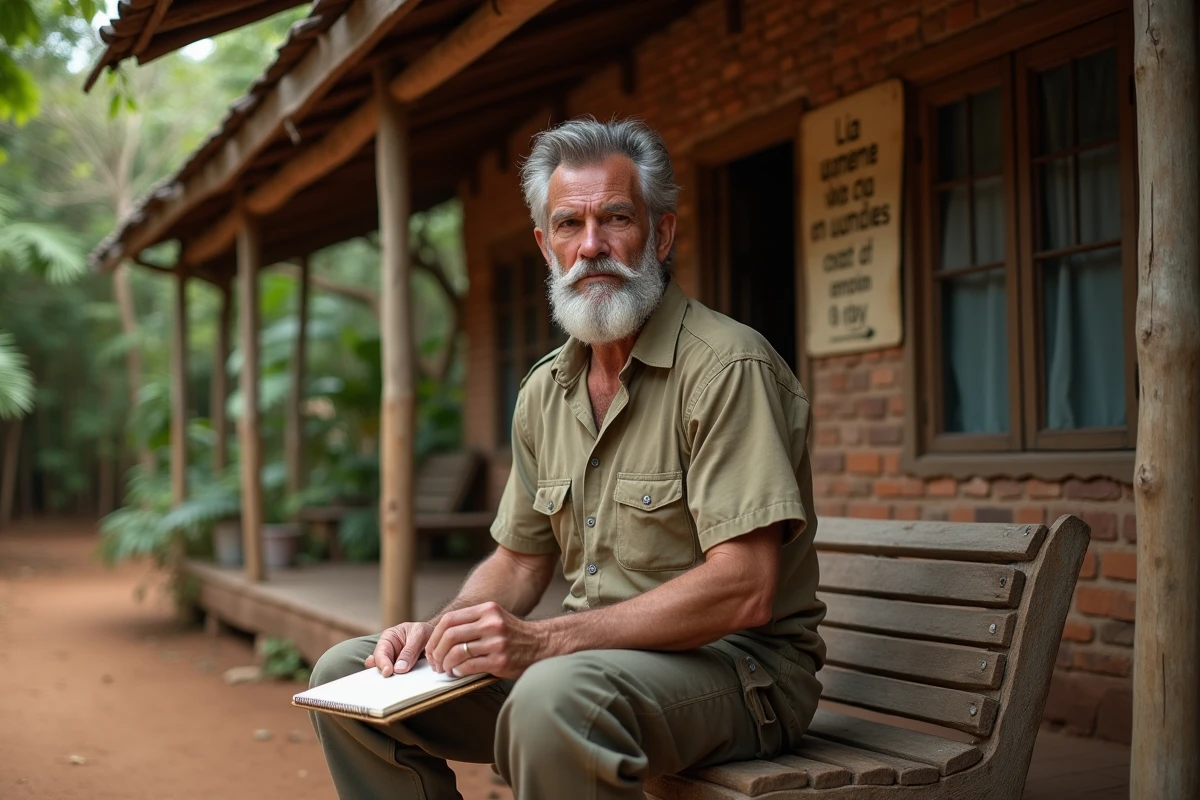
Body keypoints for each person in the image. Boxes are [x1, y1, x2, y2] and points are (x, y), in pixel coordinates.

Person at [309, 117, 826, 800]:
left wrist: (548, 642)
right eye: (567, 225)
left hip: (739, 675)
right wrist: (440, 633)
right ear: (544, 246)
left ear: (661, 234)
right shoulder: (545, 389)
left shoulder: (727, 366)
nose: (592, 246)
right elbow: (520, 561)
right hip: (587, 668)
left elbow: (747, 586)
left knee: (555, 696)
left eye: (616, 218)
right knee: (347, 677)